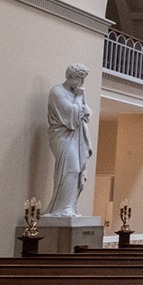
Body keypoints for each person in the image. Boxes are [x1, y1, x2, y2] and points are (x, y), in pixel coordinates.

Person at [43, 64, 93, 217]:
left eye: (83, 80)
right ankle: (61, 208)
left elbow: (87, 111)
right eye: (79, 79)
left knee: (77, 170)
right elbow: (70, 117)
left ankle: (69, 206)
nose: (81, 84)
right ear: (70, 77)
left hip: (76, 135)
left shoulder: (76, 93)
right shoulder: (57, 92)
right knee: (69, 167)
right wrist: (79, 97)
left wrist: (80, 101)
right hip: (62, 136)